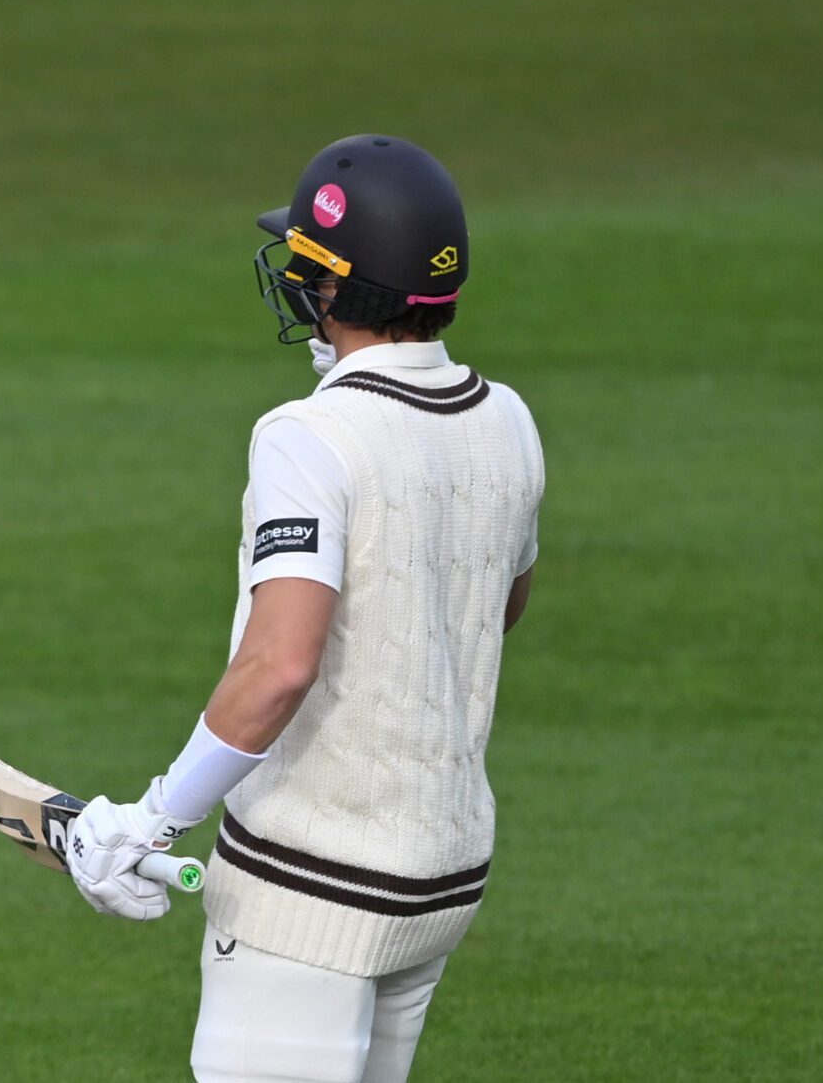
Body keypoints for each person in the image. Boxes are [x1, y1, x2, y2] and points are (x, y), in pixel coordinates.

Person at [64, 135, 545, 1083]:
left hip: (313, 887)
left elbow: (282, 662)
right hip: (442, 876)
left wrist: (152, 821)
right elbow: (498, 602)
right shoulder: (509, 418)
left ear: (335, 284)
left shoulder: (309, 435)